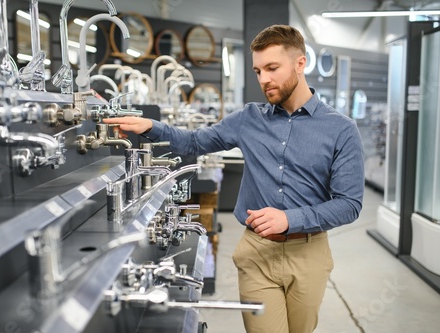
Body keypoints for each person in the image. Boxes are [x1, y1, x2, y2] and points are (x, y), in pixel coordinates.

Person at [103, 24, 365, 333]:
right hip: (257, 253)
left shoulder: (341, 130)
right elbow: (194, 143)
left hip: (309, 255)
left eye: (272, 68)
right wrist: (150, 126)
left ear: (300, 63)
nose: (263, 79)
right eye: (257, 71)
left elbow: (349, 204)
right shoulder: (249, 119)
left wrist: (290, 219)